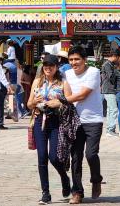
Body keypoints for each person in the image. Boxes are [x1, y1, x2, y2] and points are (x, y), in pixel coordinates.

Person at [46, 45, 103, 204]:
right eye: (71, 59)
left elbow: (83, 95)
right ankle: (77, 192)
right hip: (73, 120)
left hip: (93, 119)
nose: (74, 62)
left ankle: (96, 179)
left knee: (91, 154)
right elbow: (51, 80)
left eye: (77, 59)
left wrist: (60, 101)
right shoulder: (66, 73)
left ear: (85, 60)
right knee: (75, 157)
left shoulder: (93, 72)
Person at [28, 54, 72, 205]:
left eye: (51, 65)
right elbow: (28, 104)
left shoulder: (63, 83)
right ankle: (45, 193)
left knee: (54, 157)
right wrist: (34, 101)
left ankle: (65, 178)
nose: (47, 68)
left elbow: (69, 103)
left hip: (56, 122)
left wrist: (58, 103)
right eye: (45, 65)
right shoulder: (37, 82)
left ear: (56, 67)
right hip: (40, 120)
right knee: (41, 157)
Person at [99, 47, 119, 137]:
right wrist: (118, 73)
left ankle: (110, 129)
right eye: (117, 57)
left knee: (110, 110)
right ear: (114, 56)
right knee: (114, 110)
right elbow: (111, 77)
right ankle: (110, 129)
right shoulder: (107, 64)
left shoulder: (108, 64)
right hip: (109, 89)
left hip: (107, 89)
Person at [4, 54, 20, 122]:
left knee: (9, 100)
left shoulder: (5, 65)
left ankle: (11, 114)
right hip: (14, 83)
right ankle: (10, 114)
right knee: (11, 99)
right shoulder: (14, 65)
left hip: (9, 84)